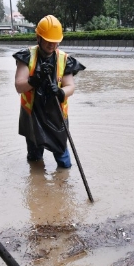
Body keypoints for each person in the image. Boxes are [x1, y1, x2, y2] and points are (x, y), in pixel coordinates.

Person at [14, 15, 86, 168]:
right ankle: (38, 185)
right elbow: (19, 86)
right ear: (38, 37)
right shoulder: (27, 56)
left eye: (55, 41)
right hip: (33, 114)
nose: (52, 44)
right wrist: (34, 80)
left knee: (63, 157)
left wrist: (60, 92)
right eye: (48, 40)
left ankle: (63, 182)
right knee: (35, 158)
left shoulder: (64, 59)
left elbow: (70, 86)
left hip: (56, 115)